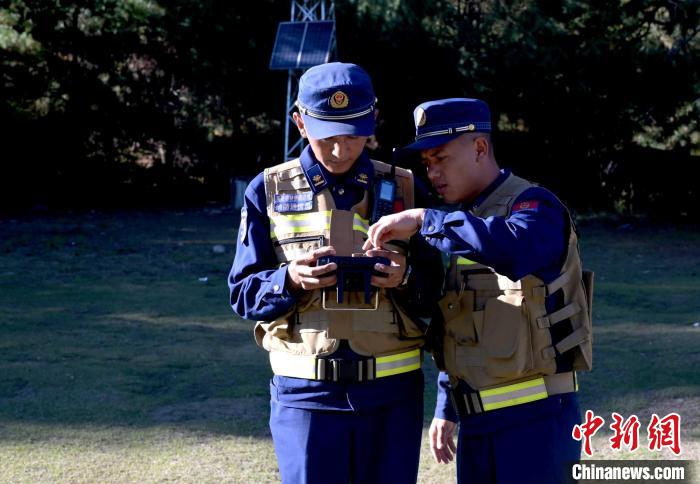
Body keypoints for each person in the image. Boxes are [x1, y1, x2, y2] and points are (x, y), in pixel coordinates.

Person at [364, 98, 594, 484]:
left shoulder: (534, 205)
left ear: (480, 148)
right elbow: (461, 320)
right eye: (427, 163)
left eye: (441, 158)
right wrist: (447, 407)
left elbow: (514, 248)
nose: (433, 173)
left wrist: (424, 219)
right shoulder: (464, 222)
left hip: (537, 423)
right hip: (476, 425)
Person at [228, 62, 429, 484]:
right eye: (328, 137)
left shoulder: (406, 187)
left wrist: (406, 277)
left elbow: (441, 291)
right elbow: (243, 293)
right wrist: (289, 279)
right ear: (300, 123)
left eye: (353, 135)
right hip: (306, 397)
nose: (341, 150)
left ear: (373, 120)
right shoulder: (266, 189)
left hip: (392, 395)